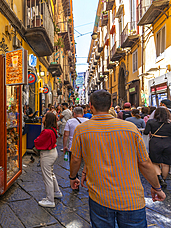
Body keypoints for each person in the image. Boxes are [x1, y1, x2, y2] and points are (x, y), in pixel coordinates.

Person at [69, 90, 166, 228]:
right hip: (131, 197)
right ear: (110, 105)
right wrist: (156, 187)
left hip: (99, 197)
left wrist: (73, 177)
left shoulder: (82, 130)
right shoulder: (130, 128)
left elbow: (76, 159)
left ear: (90, 106)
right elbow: (144, 163)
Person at [34, 112, 62, 208]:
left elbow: (37, 141)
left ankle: (50, 200)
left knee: (47, 177)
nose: (43, 117)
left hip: (47, 154)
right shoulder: (53, 129)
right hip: (53, 152)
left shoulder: (46, 131)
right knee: (51, 174)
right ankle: (56, 191)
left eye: (44, 116)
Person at [144, 108, 171, 189]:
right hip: (168, 142)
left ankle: (159, 178)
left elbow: (146, 132)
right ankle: (164, 179)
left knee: (155, 162)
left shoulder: (151, 122)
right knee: (166, 163)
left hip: (155, 142)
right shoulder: (170, 123)